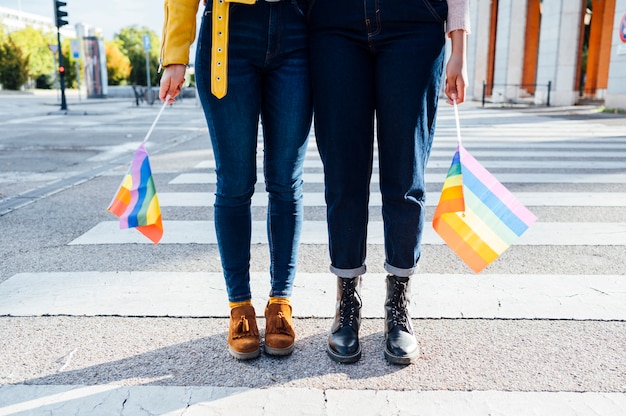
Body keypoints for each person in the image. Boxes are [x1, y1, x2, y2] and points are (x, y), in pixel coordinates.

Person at [307, 0, 470, 364]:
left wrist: (459, 46)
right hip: (335, 23)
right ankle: (347, 298)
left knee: (405, 175)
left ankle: (398, 301)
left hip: (413, 20)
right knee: (343, 174)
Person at [159, 0, 312, 360]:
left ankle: (280, 303)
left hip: (299, 26)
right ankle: (239, 306)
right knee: (234, 182)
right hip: (229, 32)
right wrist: (175, 54)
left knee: (286, 182)